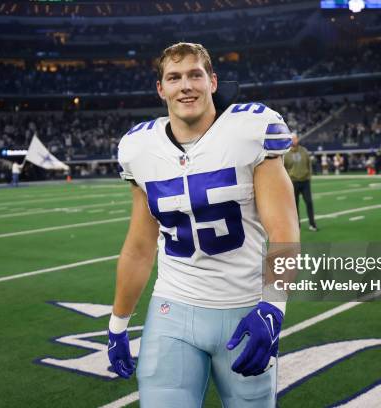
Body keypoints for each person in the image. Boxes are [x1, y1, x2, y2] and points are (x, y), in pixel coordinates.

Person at [107, 42, 299, 407]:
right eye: (174, 77)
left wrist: (273, 306)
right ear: (161, 89)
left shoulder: (251, 129)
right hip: (173, 308)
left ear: (212, 82)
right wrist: (118, 322)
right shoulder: (139, 148)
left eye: (195, 74)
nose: (186, 86)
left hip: (244, 310)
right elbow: (139, 247)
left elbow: (285, 231)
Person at [284, 133, 318, 231]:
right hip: (293, 182)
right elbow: (283, 168)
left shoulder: (304, 151)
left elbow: (309, 164)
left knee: (309, 202)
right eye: (292, 139)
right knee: (294, 205)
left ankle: (312, 224)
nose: (294, 140)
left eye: (295, 139)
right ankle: (296, 226)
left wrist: (309, 176)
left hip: (305, 181)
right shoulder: (286, 153)